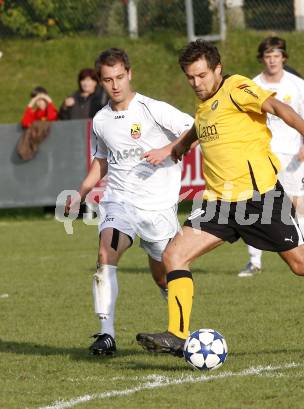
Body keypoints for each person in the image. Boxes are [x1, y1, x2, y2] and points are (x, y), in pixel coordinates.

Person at [136, 40, 304, 357]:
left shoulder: (236, 87)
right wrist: (178, 147)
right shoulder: (205, 104)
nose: (196, 83)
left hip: (260, 200)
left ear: (217, 69)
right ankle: (178, 334)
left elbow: (277, 107)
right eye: (190, 77)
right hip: (218, 203)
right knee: (174, 256)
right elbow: (201, 126)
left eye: (202, 75)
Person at [64, 48, 194, 356]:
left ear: (130, 74)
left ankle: (179, 332)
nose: (115, 85)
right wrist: (81, 192)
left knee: (163, 274)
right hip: (118, 201)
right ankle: (106, 333)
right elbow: (101, 161)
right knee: (105, 253)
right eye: (107, 79)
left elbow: (195, 129)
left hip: (157, 206)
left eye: (120, 77)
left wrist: (168, 149)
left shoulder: (151, 108)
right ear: (100, 81)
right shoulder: (100, 120)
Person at [238, 36, 304, 278]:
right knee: (256, 209)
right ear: (262, 59)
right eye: (267, 56)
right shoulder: (252, 85)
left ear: (283, 58)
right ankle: (254, 262)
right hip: (262, 156)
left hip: (293, 157)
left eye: (276, 56)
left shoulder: (297, 84)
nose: (272, 60)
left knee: (298, 206)